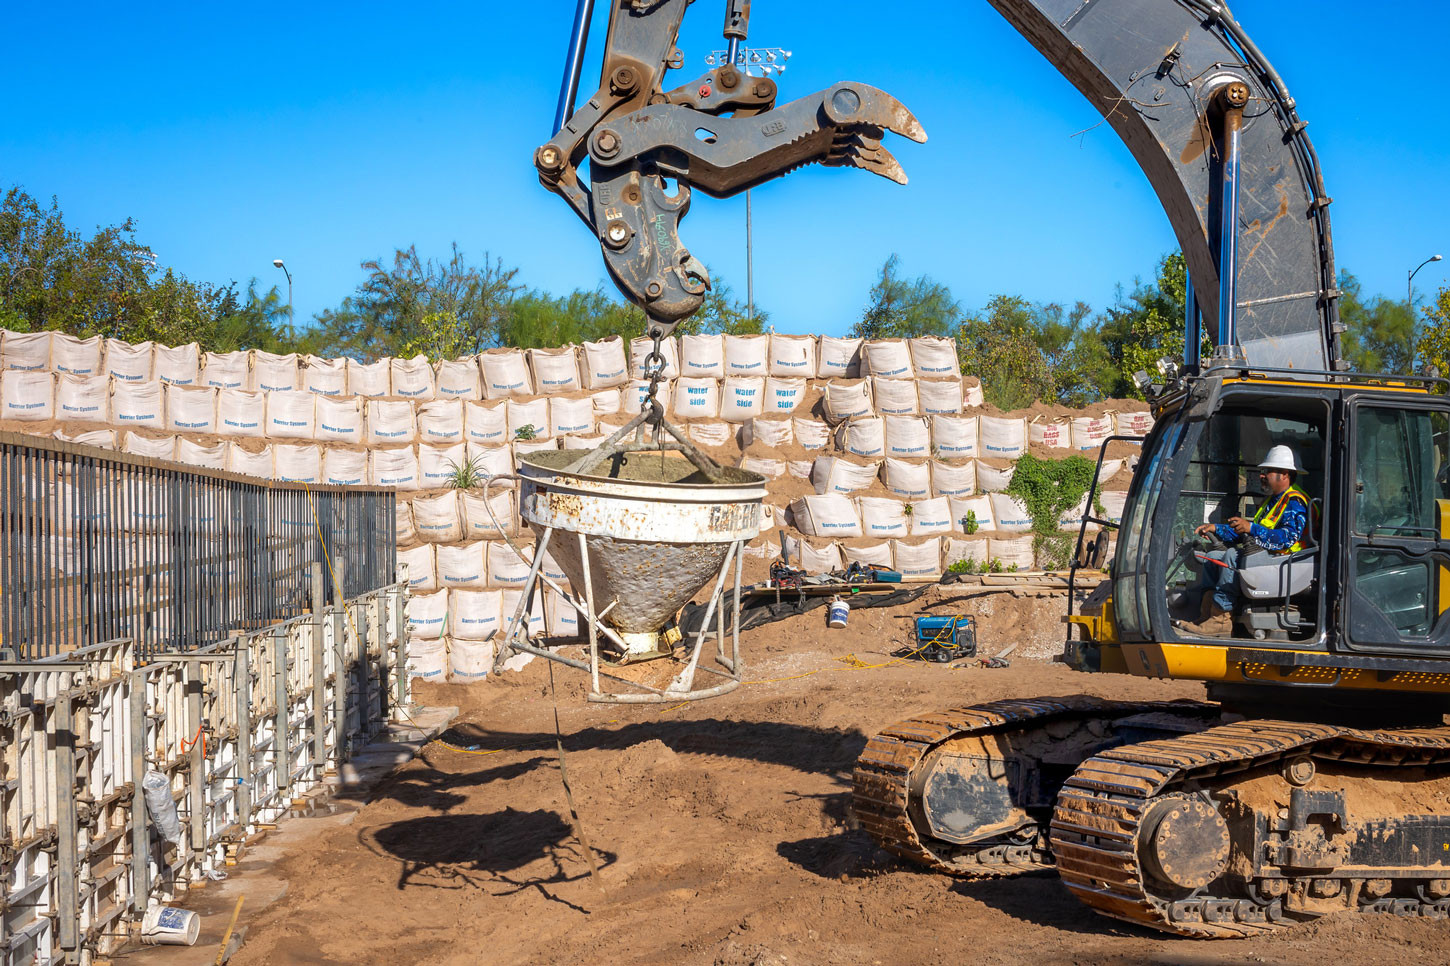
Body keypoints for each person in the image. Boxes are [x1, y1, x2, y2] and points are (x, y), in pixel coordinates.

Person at [1180, 445, 1311, 636]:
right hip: (1269, 558)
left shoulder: (1295, 503)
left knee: (1232, 555)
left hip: (1287, 562)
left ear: (1284, 474)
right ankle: (1208, 614)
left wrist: (1251, 528)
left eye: (1267, 471)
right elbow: (1248, 532)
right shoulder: (1273, 501)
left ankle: (1221, 620)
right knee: (1214, 556)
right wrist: (1217, 528)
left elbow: (1287, 539)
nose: (1261, 475)